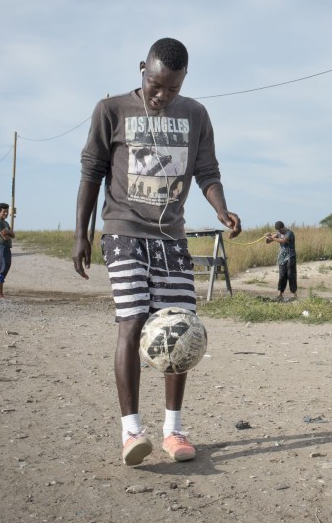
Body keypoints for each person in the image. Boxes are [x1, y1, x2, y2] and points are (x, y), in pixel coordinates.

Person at [72, 37, 241, 467]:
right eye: (154, 85)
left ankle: (173, 430)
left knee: (180, 326)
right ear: (141, 69)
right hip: (124, 230)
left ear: (184, 82)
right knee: (132, 322)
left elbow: (207, 170)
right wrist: (82, 234)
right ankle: (131, 432)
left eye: (172, 88)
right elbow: (91, 173)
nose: (161, 95)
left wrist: (221, 208)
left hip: (171, 238)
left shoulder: (196, 114)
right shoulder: (110, 110)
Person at [265, 221, 297, 300]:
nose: (279, 231)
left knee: (290, 275)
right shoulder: (278, 234)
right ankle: (280, 294)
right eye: (278, 230)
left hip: (290, 256)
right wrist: (268, 236)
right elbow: (267, 242)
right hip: (282, 258)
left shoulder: (289, 233)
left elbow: (283, 240)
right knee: (282, 275)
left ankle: (294, 294)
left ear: (283, 227)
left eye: (280, 229)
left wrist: (272, 237)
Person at [0, 203, 15, 298]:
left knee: (5, 267)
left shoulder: (5, 223)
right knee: (2, 268)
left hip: (6, 248)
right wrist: (9, 234)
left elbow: (13, 235)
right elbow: (5, 237)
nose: (5, 213)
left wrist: (8, 232)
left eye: (6, 211)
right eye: (4, 211)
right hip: (1, 247)